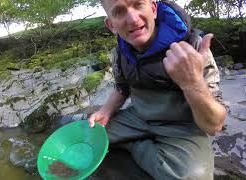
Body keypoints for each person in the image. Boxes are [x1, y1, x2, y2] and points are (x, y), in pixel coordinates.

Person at [88, 0, 227, 179]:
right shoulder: (121, 52)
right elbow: (122, 88)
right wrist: (105, 111)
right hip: (138, 117)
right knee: (90, 137)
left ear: (153, 8)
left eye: (138, 4)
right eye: (119, 12)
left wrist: (192, 82)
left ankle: (134, 145)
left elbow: (214, 124)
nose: (132, 19)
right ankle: (138, 143)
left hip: (182, 125)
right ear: (111, 25)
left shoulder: (193, 47)